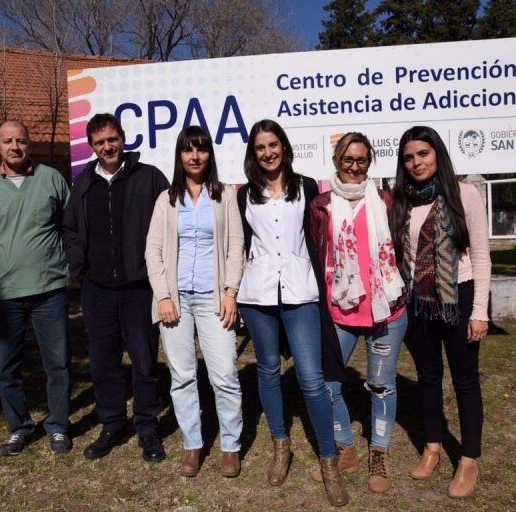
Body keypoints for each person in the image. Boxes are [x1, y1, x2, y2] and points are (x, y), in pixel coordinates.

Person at [236, 119, 348, 507]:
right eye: (260, 147)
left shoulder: (309, 187)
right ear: (254, 153)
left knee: (311, 378)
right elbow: (241, 245)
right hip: (258, 294)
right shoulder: (244, 195)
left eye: (273, 144)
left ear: (283, 146)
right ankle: (281, 445)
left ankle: (329, 461)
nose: (268, 152)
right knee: (267, 370)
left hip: (301, 292)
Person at [390, 126, 491, 498]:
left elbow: (481, 254)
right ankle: (432, 445)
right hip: (417, 301)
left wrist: (479, 311)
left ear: (438, 155)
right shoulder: (403, 201)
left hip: (457, 298)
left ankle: (468, 459)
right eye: (409, 157)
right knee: (428, 377)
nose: (416, 162)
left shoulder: (464, 194)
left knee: (465, 381)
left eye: (423, 154)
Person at [62, 113, 169, 463]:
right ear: (91, 147)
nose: (107, 146)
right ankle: (112, 423)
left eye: (112, 139)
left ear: (122, 138)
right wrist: (78, 269)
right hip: (96, 290)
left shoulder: (149, 177)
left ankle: (147, 426)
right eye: (99, 142)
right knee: (104, 362)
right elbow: (71, 229)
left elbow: (169, 225)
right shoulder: (83, 183)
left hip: (139, 287)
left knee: (143, 360)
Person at [308, 132, 407, 493]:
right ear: (336, 160)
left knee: (382, 387)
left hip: (386, 312)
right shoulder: (321, 205)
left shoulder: (385, 201)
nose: (354, 166)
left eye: (361, 160)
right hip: (340, 312)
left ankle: (378, 454)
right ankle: (346, 448)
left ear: (370, 162)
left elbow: (401, 250)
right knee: (326, 385)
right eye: (347, 159)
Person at [145, 126, 245, 478]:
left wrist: (231, 292)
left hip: (213, 299)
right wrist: (164, 296)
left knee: (225, 375)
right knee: (182, 376)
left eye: (201, 149)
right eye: (188, 150)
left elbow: (236, 247)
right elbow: (153, 251)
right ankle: (192, 442)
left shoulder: (225, 196)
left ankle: (230, 445)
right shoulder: (166, 199)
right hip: (176, 302)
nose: (195, 156)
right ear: (180, 156)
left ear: (208, 154)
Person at [0, 120, 72, 455]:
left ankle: (58, 425)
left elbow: (68, 224)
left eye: (21, 141)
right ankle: (19, 427)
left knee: (57, 363)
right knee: (7, 367)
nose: (15, 146)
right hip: (5, 294)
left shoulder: (51, 179)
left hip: (49, 289)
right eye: (8, 141)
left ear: (30, 145)